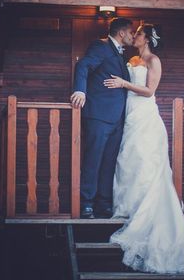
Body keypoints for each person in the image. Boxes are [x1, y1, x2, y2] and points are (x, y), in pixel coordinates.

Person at [103, 24, 184, 274]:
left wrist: (123, 83)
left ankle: (144, 209)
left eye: (140, 33)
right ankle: (127, 205)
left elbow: (149, 91)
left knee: (143, 159)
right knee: (127, 159)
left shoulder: (154, 61)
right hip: (129, 113)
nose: (136, 35)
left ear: (148, 39)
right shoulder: (130, 58)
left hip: (144, 114)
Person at [71, 17, 134, 219]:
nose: (133, 36)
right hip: (98, 115)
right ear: (122, 33)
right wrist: (80, 91)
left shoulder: (121, 54)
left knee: (108, 162)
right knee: (93, 159)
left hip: (117, 118)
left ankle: (103, 204)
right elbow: (83, 67)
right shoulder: (102, 46)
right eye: (131, 32)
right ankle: (86, 203)